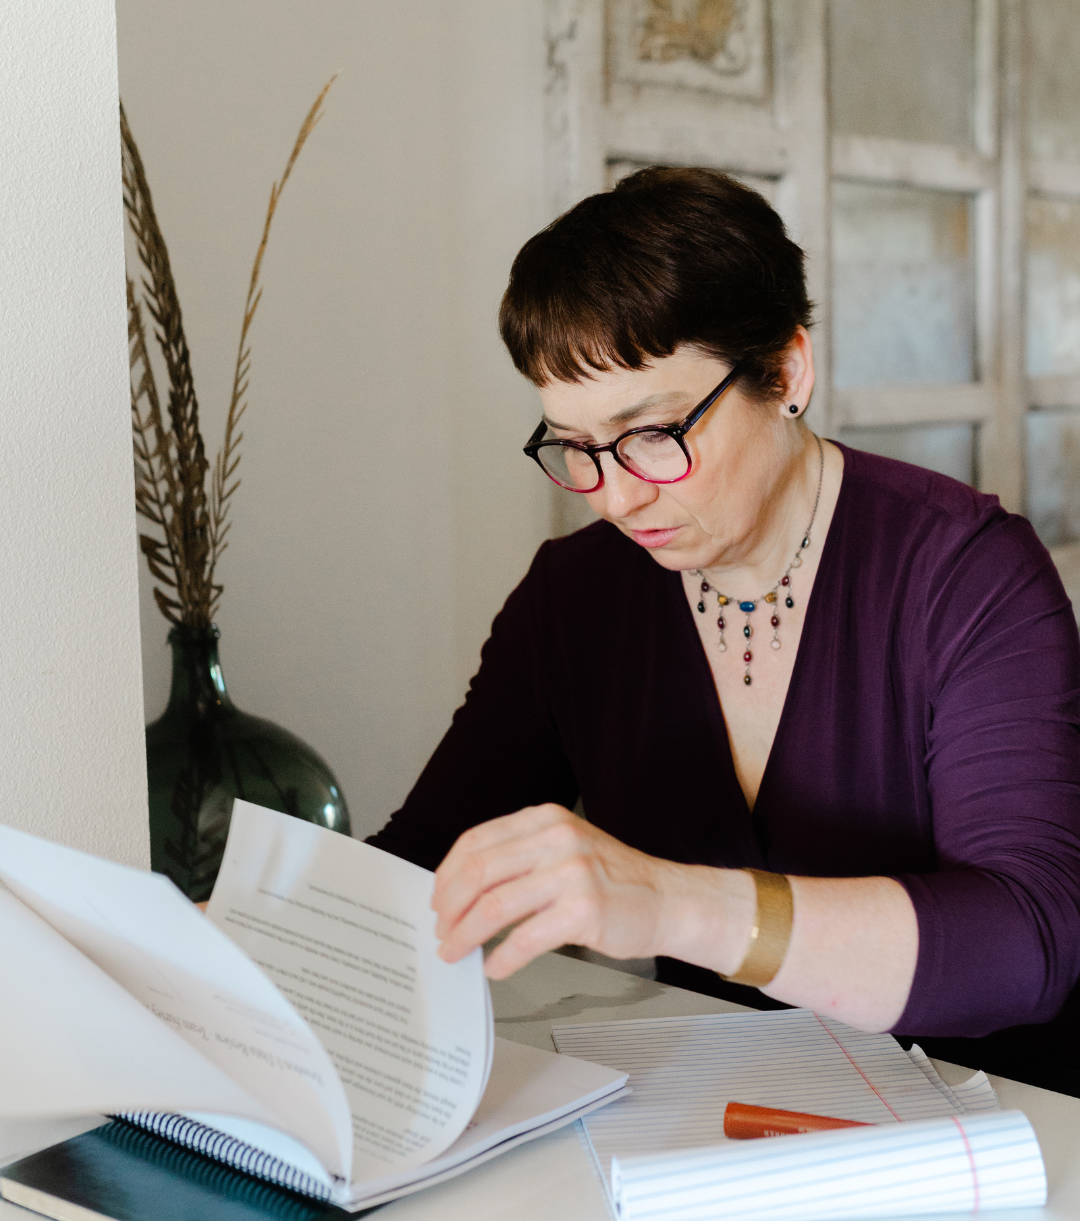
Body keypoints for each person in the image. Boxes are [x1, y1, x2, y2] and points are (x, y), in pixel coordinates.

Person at [368, 166, 1080, 1095]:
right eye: (575, 448)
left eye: (655, 432)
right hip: (717, 1122)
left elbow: (1028, 936)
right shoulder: (575, 600)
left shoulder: (965, 571)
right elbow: (427, 859)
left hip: (999, 1128)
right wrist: (239, 929)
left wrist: (670, 904)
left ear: (785, 372)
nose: (616, 496)